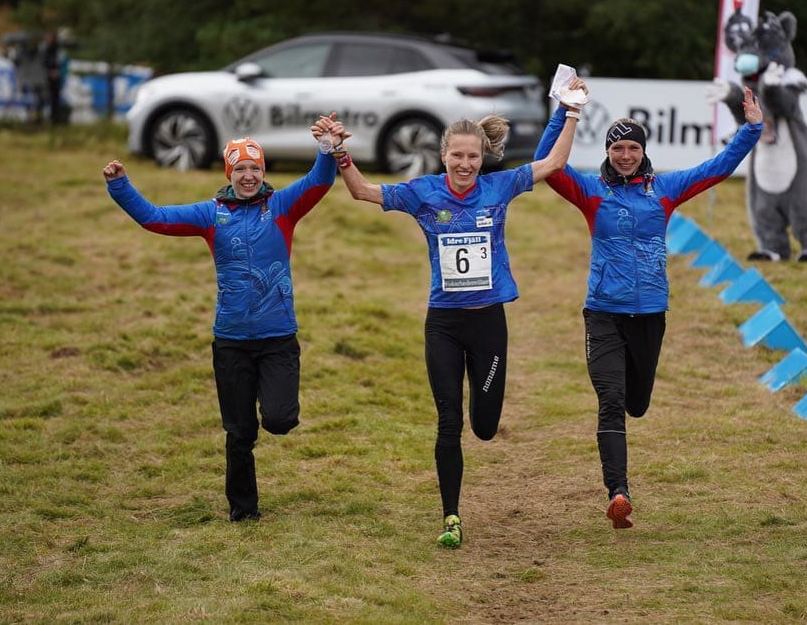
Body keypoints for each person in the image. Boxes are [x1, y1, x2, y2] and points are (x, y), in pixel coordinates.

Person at [317, 75, 589, 548]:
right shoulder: (423, 192)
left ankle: (479, 426)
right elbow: (362, 191)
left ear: (482, 158)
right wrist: (339, 153)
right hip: (443, 323)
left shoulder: (500, 186)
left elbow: (555, 162)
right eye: (457, 156)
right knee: (448, 421)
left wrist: (572, 111)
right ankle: (451, 517)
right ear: (443, 155)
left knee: (483, 427)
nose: (465, 164)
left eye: (472, 156)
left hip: (488, 324)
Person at [534, 87, 764, 529]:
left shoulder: (666, 190)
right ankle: (618, 493)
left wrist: (751, 128)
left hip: (651, 315)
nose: (625, 156)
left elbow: (719, 168)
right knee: (611, 400)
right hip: (602, 312)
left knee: (636, 404)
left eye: (632, 147)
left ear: (643, 151)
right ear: (607, 151)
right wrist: (564, 112)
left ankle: (620, 480)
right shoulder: (591, 191)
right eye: (617, 148)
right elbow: (549, 165)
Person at [102, 119, 341, 521]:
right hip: (230, 339)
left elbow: (319, 181)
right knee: (239, 433)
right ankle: (244, 512)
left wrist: (327, 148)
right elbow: (155, 217)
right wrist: (120, 185)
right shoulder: (211, 215)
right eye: (240, 170)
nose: (248, 176)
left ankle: (275, 420)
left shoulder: (281, 207)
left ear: (263, 172)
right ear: (229, 175)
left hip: (278, 336)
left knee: (280, 420)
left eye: (255, 169)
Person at [39, 29, 70, 123]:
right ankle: (39, 117)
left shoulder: (58, 49)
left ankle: (54, 118)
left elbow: (62, 62)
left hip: (56, 78)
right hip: (44, 76)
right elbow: (41, 62)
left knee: (54, 99)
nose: (47, 38)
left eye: (49, 36)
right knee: (41, 98)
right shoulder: (43, 48)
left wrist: (57, 72)